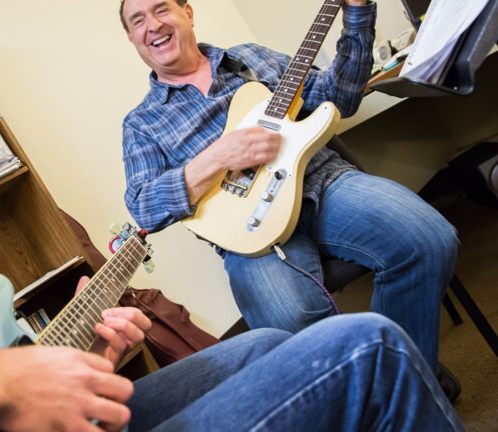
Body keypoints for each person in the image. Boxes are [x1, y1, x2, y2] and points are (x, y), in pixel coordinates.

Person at [0, 0, 462, 430]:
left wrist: (65, 356)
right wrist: (8, 384)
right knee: (366, 346)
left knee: (269, 349)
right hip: (245, 232)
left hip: (319, 181)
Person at [119, 0, 459, 377]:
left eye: (162, 9)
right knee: (290, 324)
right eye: (138, 20)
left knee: (428, 239)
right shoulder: (142, 123)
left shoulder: (252, 58)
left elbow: (339, 98)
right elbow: (142, 205)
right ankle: (383, 389)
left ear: (188, 12)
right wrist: (215, 158)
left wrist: (358, 16)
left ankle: (403, 378)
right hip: (249, 235)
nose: (152, 24)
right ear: (132, 38)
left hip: (324, 184)